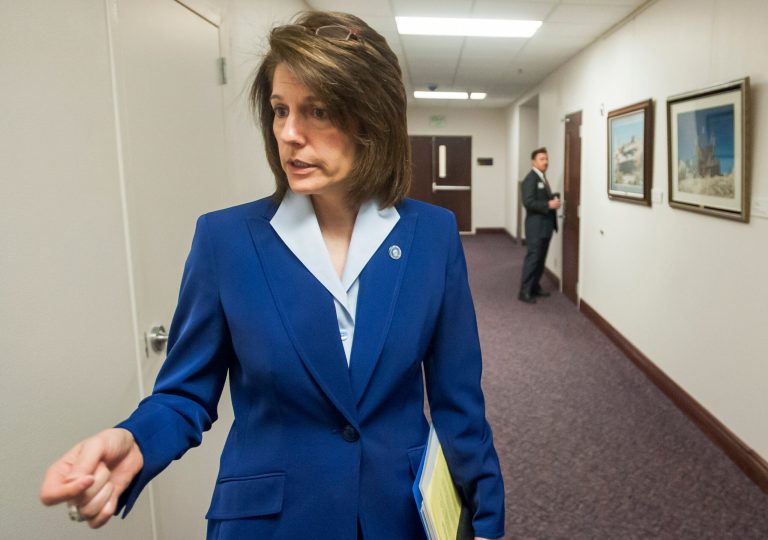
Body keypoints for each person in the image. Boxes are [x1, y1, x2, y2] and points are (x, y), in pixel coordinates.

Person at [39, 11, 505, 540]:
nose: (288, 133)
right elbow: (185, 394)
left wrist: (485, 518)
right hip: (270, 521)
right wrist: (136, 441)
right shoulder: (227, 241)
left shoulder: (432, 235)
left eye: (318, 111)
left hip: (397, 515)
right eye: (280, 110)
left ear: (372, 120)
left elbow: (457, 401)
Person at [518, 147, 560, 304]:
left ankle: (534, 287)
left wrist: (552, 200)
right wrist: (548, 204)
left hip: (546, 226)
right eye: (542, 159)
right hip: (535, 227)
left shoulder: (542, 177)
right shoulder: (530, 179)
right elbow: (528, 202)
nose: (546, 162)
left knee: (541, 259)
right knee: (533, 258)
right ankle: (524, 291)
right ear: (533, 162)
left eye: (546, 159)